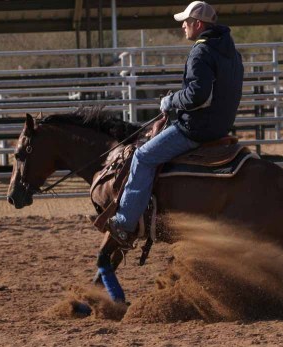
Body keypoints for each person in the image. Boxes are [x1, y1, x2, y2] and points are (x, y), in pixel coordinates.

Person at [107, 1, 244, 248]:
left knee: (143, 156)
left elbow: (197, 95)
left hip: (196, 128)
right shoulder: (232, 52)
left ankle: (125, 223)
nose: (183, 26)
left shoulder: (201, 51)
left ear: (198, 24)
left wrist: (170, 101)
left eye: (186, 22)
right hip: (220, 127)